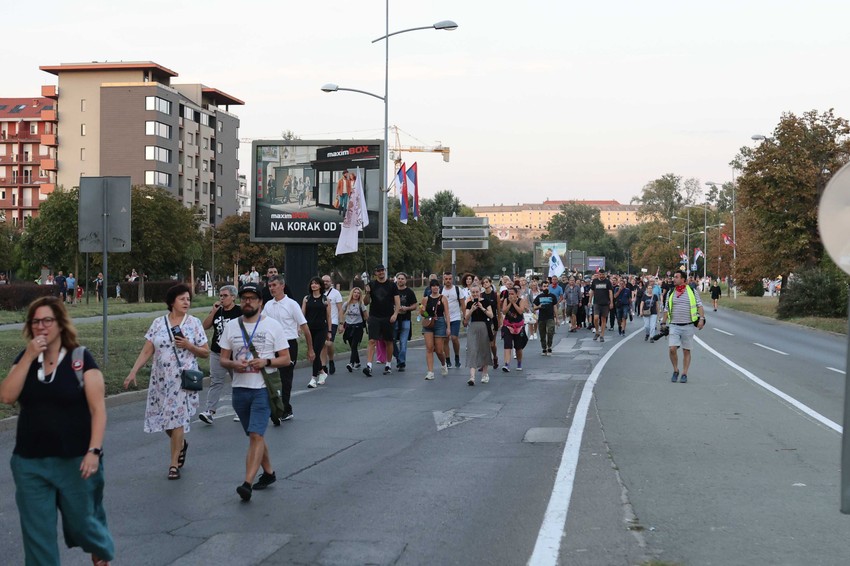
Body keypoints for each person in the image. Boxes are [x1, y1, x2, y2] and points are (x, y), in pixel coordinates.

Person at [0, 297, 115, 566]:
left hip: (75, 461)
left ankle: (98, 546)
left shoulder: (80, 359)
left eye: (47, 321)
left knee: (82, 526)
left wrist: (94, 451)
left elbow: (98, 410)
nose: (41, 327)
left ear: (61, 324)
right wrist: (29, 355)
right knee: (37, 538)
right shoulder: (26, 359)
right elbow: (6, 396)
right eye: (35, 321)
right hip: (30, 463)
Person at [123, 284, 209, 480]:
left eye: (188, 299)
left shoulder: (194, 323)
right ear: (172, 302)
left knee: (176, 419)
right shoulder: (158, 323)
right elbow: (147, 350)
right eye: (182, 299)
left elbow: (205, 352)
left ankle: (173, 465)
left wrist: (188, 345)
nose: (186, 302)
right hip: (160, 379)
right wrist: (133, 371)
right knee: (164, 419)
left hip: (181, 379)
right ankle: (181, 445)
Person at [218, 283, 290, 501]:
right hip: (239, 389)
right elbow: (222, 359)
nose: (247, 301)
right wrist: (233, 365)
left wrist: (266, 361)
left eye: (252, 298)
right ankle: (269, 473)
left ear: (260, 302)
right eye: (244, 298)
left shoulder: (272, 326)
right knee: (253, 434)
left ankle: (247, 483)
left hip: (262, 389)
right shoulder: (231, 326)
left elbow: (285, 359)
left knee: (257, 435)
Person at [263, 274, 314, 421]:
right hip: (271, 346)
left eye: (274, 285)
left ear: (282, 286)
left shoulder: (292, 304)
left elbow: (305, 327)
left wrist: (310, 349)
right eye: (270, 286)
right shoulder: (268, 305)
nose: (271, 288)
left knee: (285, 378)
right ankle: (274, 406)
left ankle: (286, 408)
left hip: (288, 344)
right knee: (271, 377)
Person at [199, 285, 242, 424]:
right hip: (217, 352)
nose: (222, 298)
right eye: (220, 296)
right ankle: (210, 412)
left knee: (238, 382)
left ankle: (240, 410)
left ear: (233, 297)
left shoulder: (239, 311)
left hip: (235, 353)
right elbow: (204, 326)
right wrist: (213, 312)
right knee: (215, 381)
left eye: (225, 296)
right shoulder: (218, 311)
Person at [660, 271, 707, 383]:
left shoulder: (691, 291)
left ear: (683, 280)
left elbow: (699, 305)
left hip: (688, 325)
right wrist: (663, 322)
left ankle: (684, 373)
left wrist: (701, 319)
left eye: (676, 277)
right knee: (672, 349)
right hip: (674, 325)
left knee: (686, 350)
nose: (673, 279)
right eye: (673, 277)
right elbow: (667, 309)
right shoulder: (671, 291)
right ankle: (675, 370)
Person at [363, 264, 400, 376]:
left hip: (388, 316)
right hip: (374, 316)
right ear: (375, 273)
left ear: (385, 271)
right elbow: (365, 302)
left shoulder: (392, 285)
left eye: (382, 270)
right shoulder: (372, 284)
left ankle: (388, 364)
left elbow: (397, 302)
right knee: (372, 341)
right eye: (378, 271)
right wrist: (368, 293)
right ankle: (369, 365)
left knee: (388, 341)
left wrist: (395, 314)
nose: (380, 272)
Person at [303, 277, 333, 388]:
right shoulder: (306, 299)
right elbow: (302, 315)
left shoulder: (325, 299)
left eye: (316, 283)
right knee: (312, 353)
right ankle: (322, 372)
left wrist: (329, 331)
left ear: (320, 286)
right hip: (310, 329)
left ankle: (313, 378)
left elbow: (328, 316)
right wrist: (300, 328)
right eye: (312, 283)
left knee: (315, 351)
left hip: (321, 329)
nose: (314, 285)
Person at [463, 285, 494, 385]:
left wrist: (482, 308)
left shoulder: (486, 302)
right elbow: (466, 319)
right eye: (473, 292)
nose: (475, 294)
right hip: (473, 327)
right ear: (470, 293)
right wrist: (472, 310)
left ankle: (485, 374)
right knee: (472, 350)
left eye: (477, 292)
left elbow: (491, 315)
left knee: (484, 350)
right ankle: (472, 377)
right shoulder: (469, 303)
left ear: (480, 292)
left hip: (484, 326)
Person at [420, 279, 450, 380]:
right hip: (428, 323)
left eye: (437, 286)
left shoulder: (443, 298)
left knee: (439, 350)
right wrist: (423, 311)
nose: (435, 288)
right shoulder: (425, 299)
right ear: (430, 287)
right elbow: (423, 314)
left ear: (439, 287)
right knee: (429, 348)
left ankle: (443, 363)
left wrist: (448, 327)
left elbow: (447, 314)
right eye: (433, 286)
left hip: (440, 323)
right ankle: (430, 372)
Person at [393, 272, 417, 372]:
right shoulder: (393, 291)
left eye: (402, 279)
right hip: (394, 319)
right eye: (399, 278)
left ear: (405, 280)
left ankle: (401, 362)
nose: (400, 280)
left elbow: (415, 305)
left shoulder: (409, 292)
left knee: (403, 342)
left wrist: (407, 308)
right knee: (391, 340)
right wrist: (395, 308)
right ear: (396, 280)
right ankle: (398, 358)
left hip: (405, 319)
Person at [442, 272, 466, 369]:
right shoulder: (441, 290)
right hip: (443, 318)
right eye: (446, 279)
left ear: (452, 279)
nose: (448, 280)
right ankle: (447, 360)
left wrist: (465, 317)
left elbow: (463, 304)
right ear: (443, 280)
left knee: (454, 338)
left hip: (455, 317)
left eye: (449, 279)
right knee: (446, 339)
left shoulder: (457, 289)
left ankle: (457, 356)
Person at [500, 285, 527, 371]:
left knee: (518, 347)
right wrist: (510, 303)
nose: (510, 296)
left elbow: (520, 311)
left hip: (518, 326)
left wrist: (514, 303)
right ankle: (506, 364)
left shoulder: (521, 301)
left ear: (516, 294)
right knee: (507, 345)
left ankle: (519, 363)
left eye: (512, 294)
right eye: (509, 294)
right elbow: (504, 311)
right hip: (508, 325)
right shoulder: (506, 300)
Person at [322, 274, 344, 374]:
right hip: (321, 322)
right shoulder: (318, 293)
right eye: (324, 281)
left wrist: (341, 323)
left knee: (329, 343)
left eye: (327, 281)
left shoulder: (336, 293)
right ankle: (323, 365)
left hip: (333, 321)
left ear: (331, 282)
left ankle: (331, 360)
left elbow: (340, 309)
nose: (325, 283)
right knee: (323, 344)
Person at [341, 287, 368, 371]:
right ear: (352, 293)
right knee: (352, 346)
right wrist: (341, 324)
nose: (356, 294)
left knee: (354, 345)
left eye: (358, 293)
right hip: (349, 327)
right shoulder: (346, 304)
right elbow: (341, 313)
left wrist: (369, 324)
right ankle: (357, 362)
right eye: (355, 292)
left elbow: (366, 316)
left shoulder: (361, 304)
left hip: (358, 327)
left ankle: (351, 363)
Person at [481, 276, 501, 367]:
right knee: (484, 343)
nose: (485, 284)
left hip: (493, 320)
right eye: (483, 283)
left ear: (490, 283)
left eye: (486, 282)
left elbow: (498, 309)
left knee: (492, 343)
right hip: (484, 320)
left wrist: (500, 320)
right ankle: (484, 363)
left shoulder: (496, 295)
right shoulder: (481, 295)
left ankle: (495, 357)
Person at [533, 283, 557, 355]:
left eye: (547, 286)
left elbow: (555, 306)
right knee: (542, 334)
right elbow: (534, 307)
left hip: (550, 317)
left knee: (550, 331)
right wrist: (538, 307)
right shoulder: (539, 297)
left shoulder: (552, 296)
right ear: (541, 287)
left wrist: (557, 318)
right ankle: (544, 348)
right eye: (544, 286)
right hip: (541, 318)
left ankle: (549, 346)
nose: (546, 288)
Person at [590, 270, 614, 343]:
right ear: (598, 274)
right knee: (596, 318)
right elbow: (592, 291)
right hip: (596, 302)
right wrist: (589, 301)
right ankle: (597, 331)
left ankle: (602, 335)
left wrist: (611, 302)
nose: (602, 276)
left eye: (603, 274)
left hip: (605, 303)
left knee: (603, 319)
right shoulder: (595, 281)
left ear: (605, 275)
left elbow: (610, 292)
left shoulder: (607, 282)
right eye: (600, 274)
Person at [639, 277, 660, 342]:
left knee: (652, 326)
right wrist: (640, 311)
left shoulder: (655, 296)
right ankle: (647, 334)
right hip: (646, 312)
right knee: (647, 326)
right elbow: (642, 303)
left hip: (653, 312)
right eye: (649, 288)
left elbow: (657, 305)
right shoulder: (644, 296)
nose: (650, 290)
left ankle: (651, 337)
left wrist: (658, 313)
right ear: (647, 289)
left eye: (651, 288)